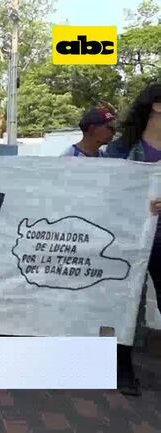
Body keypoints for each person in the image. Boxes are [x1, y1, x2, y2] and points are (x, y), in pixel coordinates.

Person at [105, 84, 161, 396]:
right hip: (128, 238)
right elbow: (107, 193)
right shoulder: (120, 150)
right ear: (156, 106)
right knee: (124, 304)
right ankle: (122, 368)